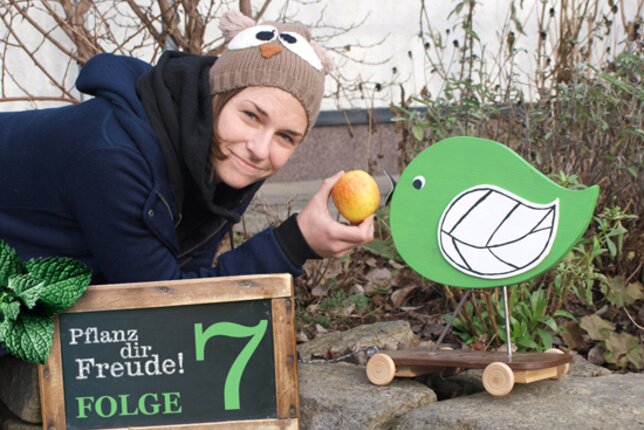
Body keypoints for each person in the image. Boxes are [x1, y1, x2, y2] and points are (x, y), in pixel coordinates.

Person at [0, 10, 375, 286]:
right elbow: (166, 306)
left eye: (286, 137)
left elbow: (186, 280)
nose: (261, 148)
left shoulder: (223, 152)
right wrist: (295, 242)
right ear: (216, 97)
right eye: (251, 116)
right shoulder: (115, 158)